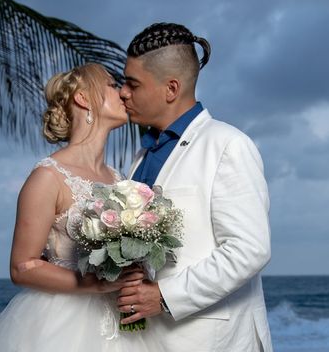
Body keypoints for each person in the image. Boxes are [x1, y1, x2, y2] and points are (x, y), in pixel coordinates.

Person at [116, 23, 273, 351]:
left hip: (210, 341)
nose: (122, 93)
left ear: (170, 88)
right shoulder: (141, 155)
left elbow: (249, 249)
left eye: (132, 84)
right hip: (146, 339)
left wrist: (163, 297)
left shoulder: (228, 145)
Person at [0, 63, 155, 352]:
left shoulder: (120, 179)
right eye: (112, 85)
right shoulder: (48, 176)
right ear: (83, 99)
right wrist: (96, 284)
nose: (123, 92)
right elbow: (22, 268)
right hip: (63, 326)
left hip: (123, 325)